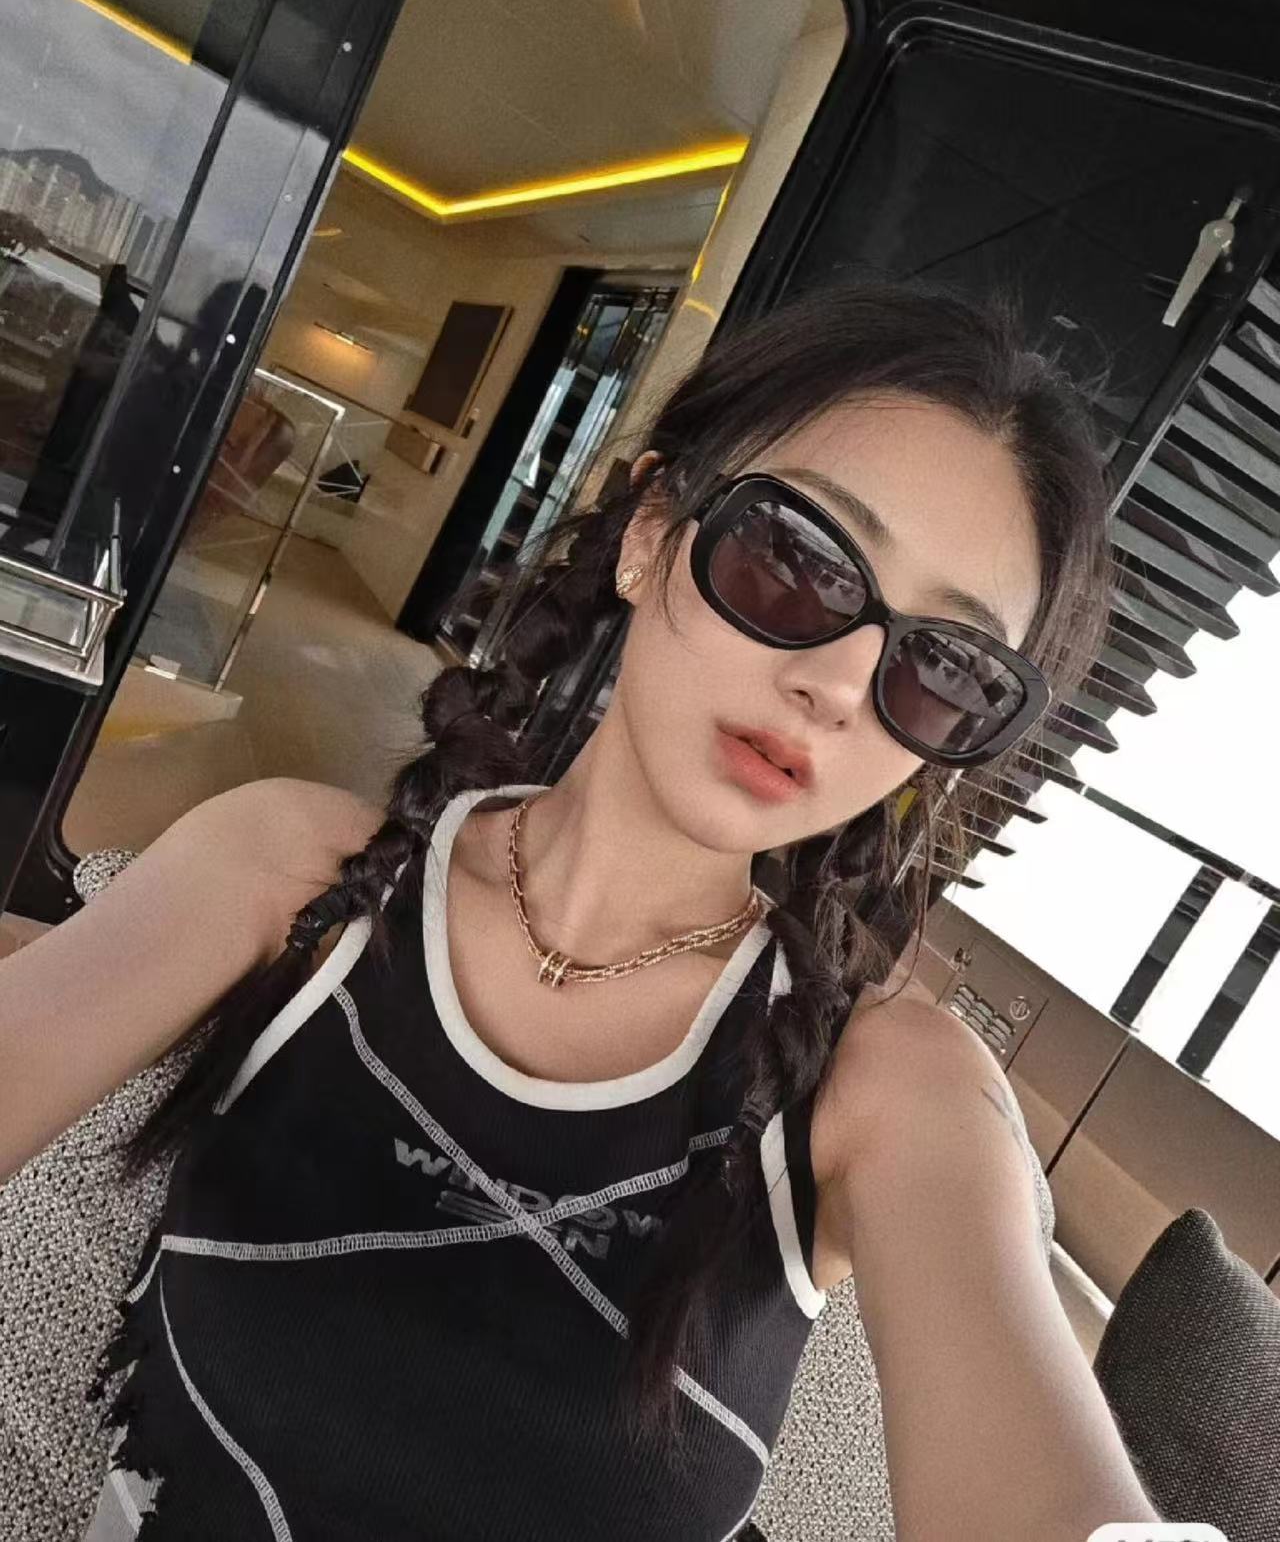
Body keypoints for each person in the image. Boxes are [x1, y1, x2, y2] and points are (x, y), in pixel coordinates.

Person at [0, 284, 1162, 1541]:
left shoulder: (889, 1089)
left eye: (944, 664)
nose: (836, 682)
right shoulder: (287, 874)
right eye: (798, 560)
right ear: (649, 533)